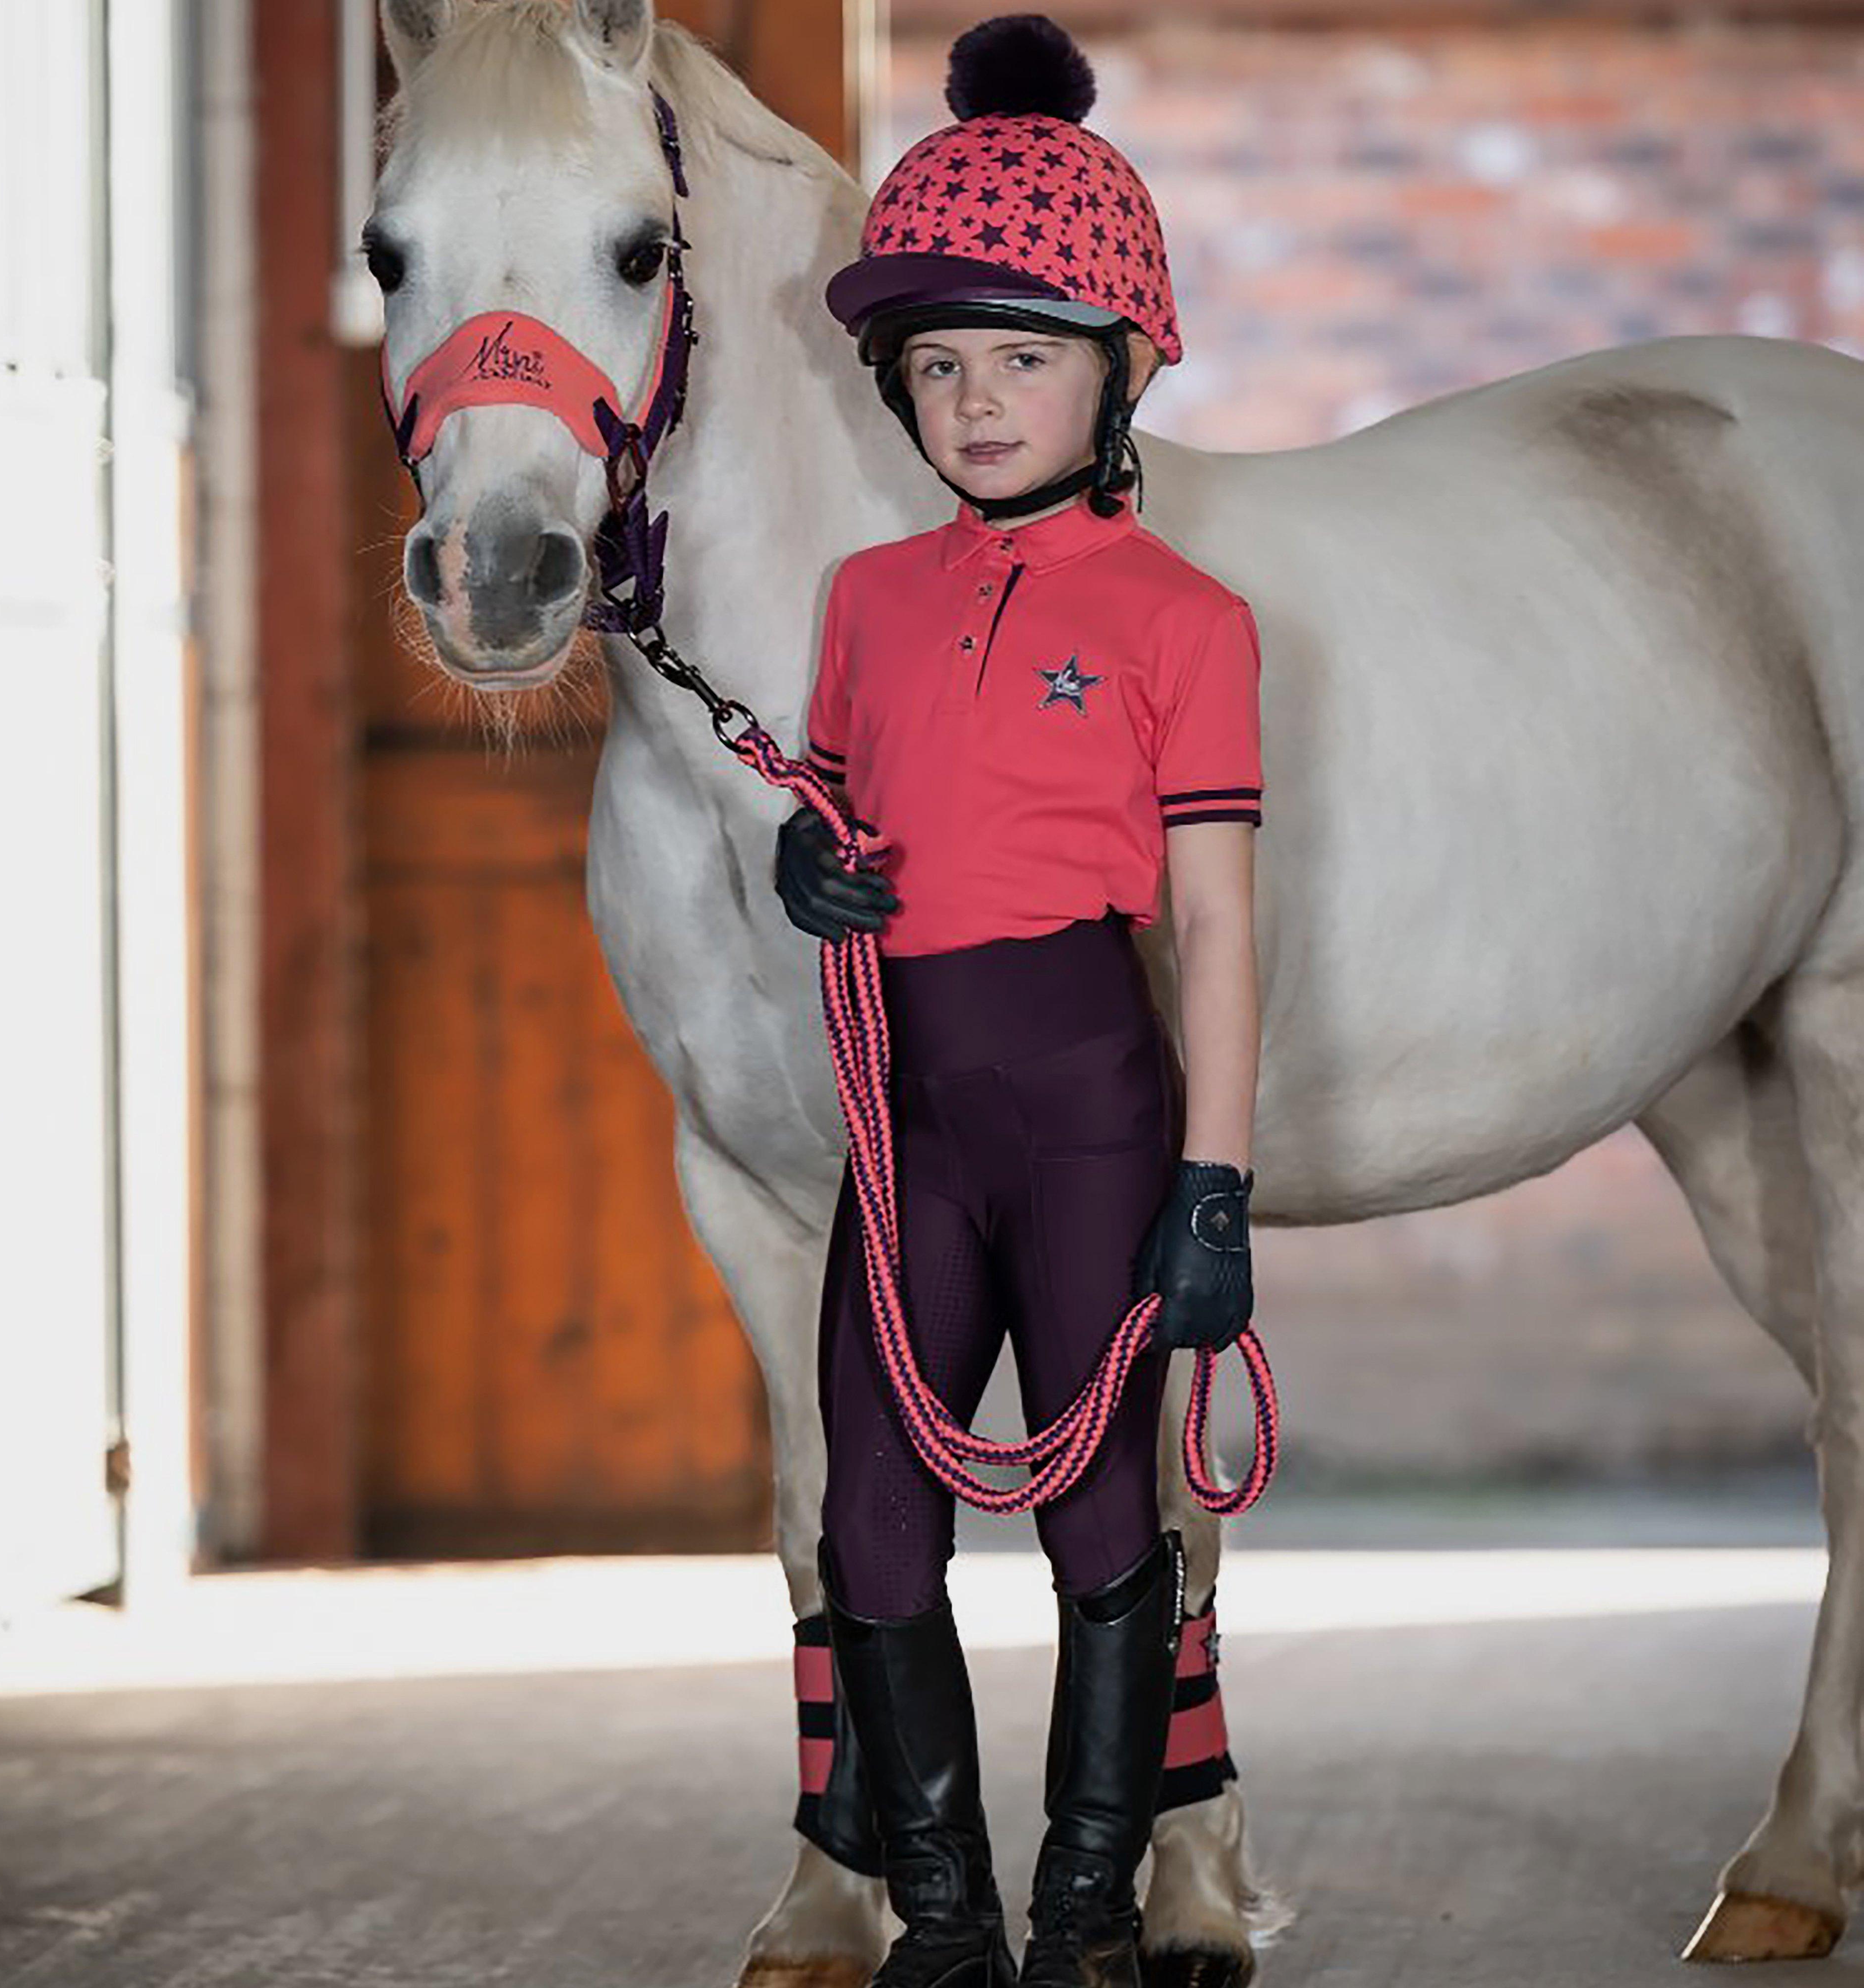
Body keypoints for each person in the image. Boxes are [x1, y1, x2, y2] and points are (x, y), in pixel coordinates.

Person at [773, 15, 1263, 1988]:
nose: (977, 403)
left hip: (1086, 1108)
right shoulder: (864, 599)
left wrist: (1210, 1181)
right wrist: (804, 872)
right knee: (872, 1518)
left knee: (1089, 1523)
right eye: (942, 364)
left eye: (1025, 358)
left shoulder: (1185, 619)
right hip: (907, 1122)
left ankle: (1081, 1920)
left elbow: (1218, 924)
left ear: (1114, 371)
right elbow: (843, 824)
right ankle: (945, 1923)